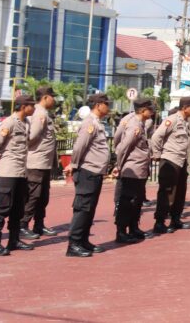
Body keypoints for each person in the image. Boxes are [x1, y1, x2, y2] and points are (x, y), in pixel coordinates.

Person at [0, 95, 35, 256]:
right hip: (8, 171)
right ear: (23, 107)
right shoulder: (9, 122)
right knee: (2, 207)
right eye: (31, 105)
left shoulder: (26, 123)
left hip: (21, 171)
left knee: (18, 208)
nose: (34, 108)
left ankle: (14, 240)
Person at [66, 93, 112, 258]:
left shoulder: (97, 122)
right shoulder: (90, 123)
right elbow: (79, 146)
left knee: (89, 209)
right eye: (106, 104)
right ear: (98, 105)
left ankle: (83, 240)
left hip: (95, 171)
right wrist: (73, 164)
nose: (108, 107)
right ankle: (74, 244)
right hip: (87, 171)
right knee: (83, 208)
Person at [151, 96, 190, 234]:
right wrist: (157, 154)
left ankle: (175, 219)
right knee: (167, 192)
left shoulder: (185, 122)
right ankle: (159, 222)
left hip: (181, 161)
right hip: (170, 160)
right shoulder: (172, 120)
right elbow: (156, 137)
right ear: (185, 108)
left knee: (180, 192)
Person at [114, 97, 155, 244]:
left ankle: (133, 228)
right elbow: (123, 147)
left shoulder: (141, 123)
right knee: (127, 201)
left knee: (137, 201)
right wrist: (119, 166)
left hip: (140, 169)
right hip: (132, 169)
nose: (152, 112)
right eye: (150, 109)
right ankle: (121, 231)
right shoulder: (134, 125)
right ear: (143, 110)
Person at [20, 86, 57, 241]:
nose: (54, 100)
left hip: (44, 163)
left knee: (43, 196)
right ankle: (22, 225)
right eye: (52, 97)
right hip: (36, 162)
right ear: (45, 97)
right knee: (33, 196)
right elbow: (31, 137)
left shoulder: (43, 113)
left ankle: (39, 224)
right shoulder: (39, 114)